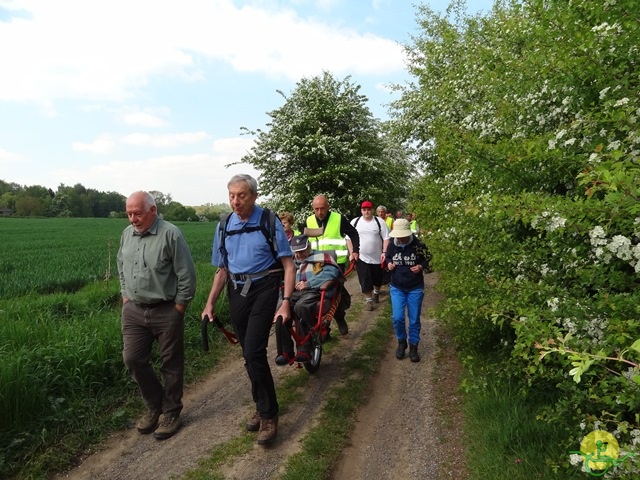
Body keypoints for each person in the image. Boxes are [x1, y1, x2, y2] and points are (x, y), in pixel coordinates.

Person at [202, 174, 295, 446]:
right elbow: (222, 269)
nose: (235, 201)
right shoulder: (224, 225)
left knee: (254, 350)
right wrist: (209, 303)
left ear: (254, 196)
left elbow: (289, 265)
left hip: (264, 288)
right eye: (231, 195)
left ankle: (269, 415)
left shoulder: (268, 221)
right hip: (236, 291)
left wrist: (286, 301)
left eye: (241, 195)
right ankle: (260, 404)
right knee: (247, 353)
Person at [117, 191, 197, 440]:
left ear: (152, 210)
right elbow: (121, 265)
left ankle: (171, 411)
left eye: (137, 213)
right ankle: (155, 405)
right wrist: (125, 296)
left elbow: (187, 274)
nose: (133, 219)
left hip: (166, 309)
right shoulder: (126, 235)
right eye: (129, 213)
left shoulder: (170, 234)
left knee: (170, 363)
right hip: (134, 310)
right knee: (132, 359)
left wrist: (179, 307)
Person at [275, 234, 342, 365]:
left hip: (313, 291)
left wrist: (309, 283)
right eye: (296, 252)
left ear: (309, 247)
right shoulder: (291, 261)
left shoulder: (321, 257)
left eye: (302, 251)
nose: (298, 255)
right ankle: (285, 351)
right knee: (280, 310)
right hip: (293, 293)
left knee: (300, 307)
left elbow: (331, 273)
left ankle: (305, 349)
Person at [306, 194, 359, 335]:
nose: (319, 212)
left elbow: (353, 233)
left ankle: (339, 318)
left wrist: (355, 251)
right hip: (317, 262)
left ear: (328, 207)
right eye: (316, 209)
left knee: (333, 294)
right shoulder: (309, 220)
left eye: (322, 208)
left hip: (336, 263)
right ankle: (324, 330)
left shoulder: (338, 218)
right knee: (317, 293)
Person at [385, 218, 431, 363]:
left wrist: (421, 267)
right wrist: (389, 264)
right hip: (397, 286)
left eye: (402, 236)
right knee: (397, 317)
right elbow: (387, 257)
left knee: (414, 318)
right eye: (398, 236)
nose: (400, 238)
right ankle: (401, 342)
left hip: (415, 287)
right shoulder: (392, 244)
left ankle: (413, 346)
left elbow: (427, 257)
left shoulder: (418, 244)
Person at [350, 200, 390, 311]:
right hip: (361, 257)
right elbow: (348, 239)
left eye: (368, 210)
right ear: (361, 211)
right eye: (364, 210)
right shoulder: (355, 222)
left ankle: (376, 292)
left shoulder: (379, 222)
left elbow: (386, 237)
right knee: (364, 279)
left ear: (372, 210)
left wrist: (384, 252)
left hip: (377, 257)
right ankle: (369, 301)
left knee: (377, 279)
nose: (366, 212)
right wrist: (352, 252)